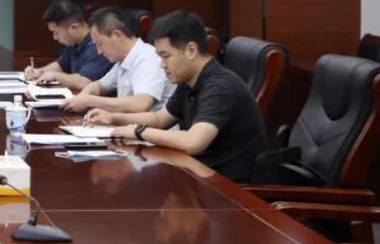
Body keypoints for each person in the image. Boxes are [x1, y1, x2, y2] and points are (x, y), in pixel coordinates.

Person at [86, 10, 267, 183]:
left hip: (229, 189)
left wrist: (138, 132)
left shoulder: (221, 87)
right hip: (199, 175)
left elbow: (193, 141)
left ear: (191, 50)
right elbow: (159, 119)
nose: (161, 65)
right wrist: (113, 118)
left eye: (165, 56)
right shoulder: (189, 81)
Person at [62, 7, 175, 113]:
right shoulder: (123, 60)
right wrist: (82, 97)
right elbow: (99, 86)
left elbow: (141, 103)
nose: (99, 52)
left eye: (100, 44)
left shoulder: (148, 59)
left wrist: (89, 101)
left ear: (116, 35)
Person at [24, 0, 111, 90]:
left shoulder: (97, 45)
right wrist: (39, 72)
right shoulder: (73, 43)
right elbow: (60, 65)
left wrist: (56, 76)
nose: (55, 37)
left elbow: (85, 82)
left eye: (56, 32)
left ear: (73, 28)